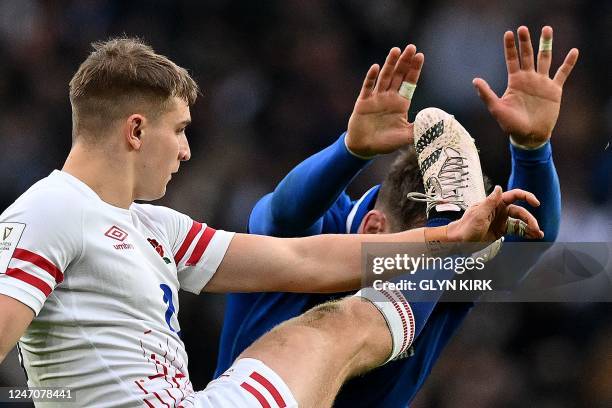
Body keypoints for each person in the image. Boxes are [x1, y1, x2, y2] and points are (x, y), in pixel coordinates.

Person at [0, 35, 547, 407]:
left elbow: (298, 259)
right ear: (136, 131)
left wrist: (445, 236)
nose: (188, 152)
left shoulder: (152, 226)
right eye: (181, 130)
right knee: (332, 328)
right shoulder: (51, 209)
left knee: (326, 328)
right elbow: (285, 226)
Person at [216, 25, 578, 407]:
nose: (449, 250)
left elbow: (529, 242)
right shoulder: (323, 225)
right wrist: (350, 151)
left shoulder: (458, 262)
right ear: (375, 228)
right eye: (437, 240)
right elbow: (285, 214)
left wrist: (533, 149)